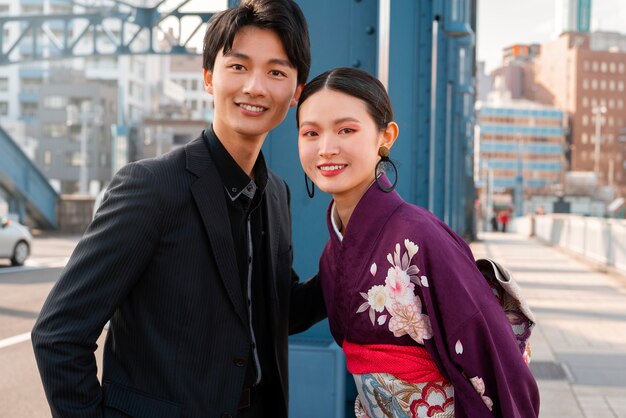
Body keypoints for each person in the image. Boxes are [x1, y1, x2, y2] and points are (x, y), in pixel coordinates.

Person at [31, 1, 326, 417]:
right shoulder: (152, 187)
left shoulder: (276, 192)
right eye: (238, 67)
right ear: (208, 77)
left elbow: (279, 310)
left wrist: (353, 253)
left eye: (276, 72)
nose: (255, 87)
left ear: (296, 93)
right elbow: (58, 335)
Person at [296, 67, 539, 418]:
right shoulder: (333, 253)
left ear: (386, 136)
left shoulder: (420, 238)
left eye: (346, 130)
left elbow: (499, 368)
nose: (326, 148)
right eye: (310, 133)